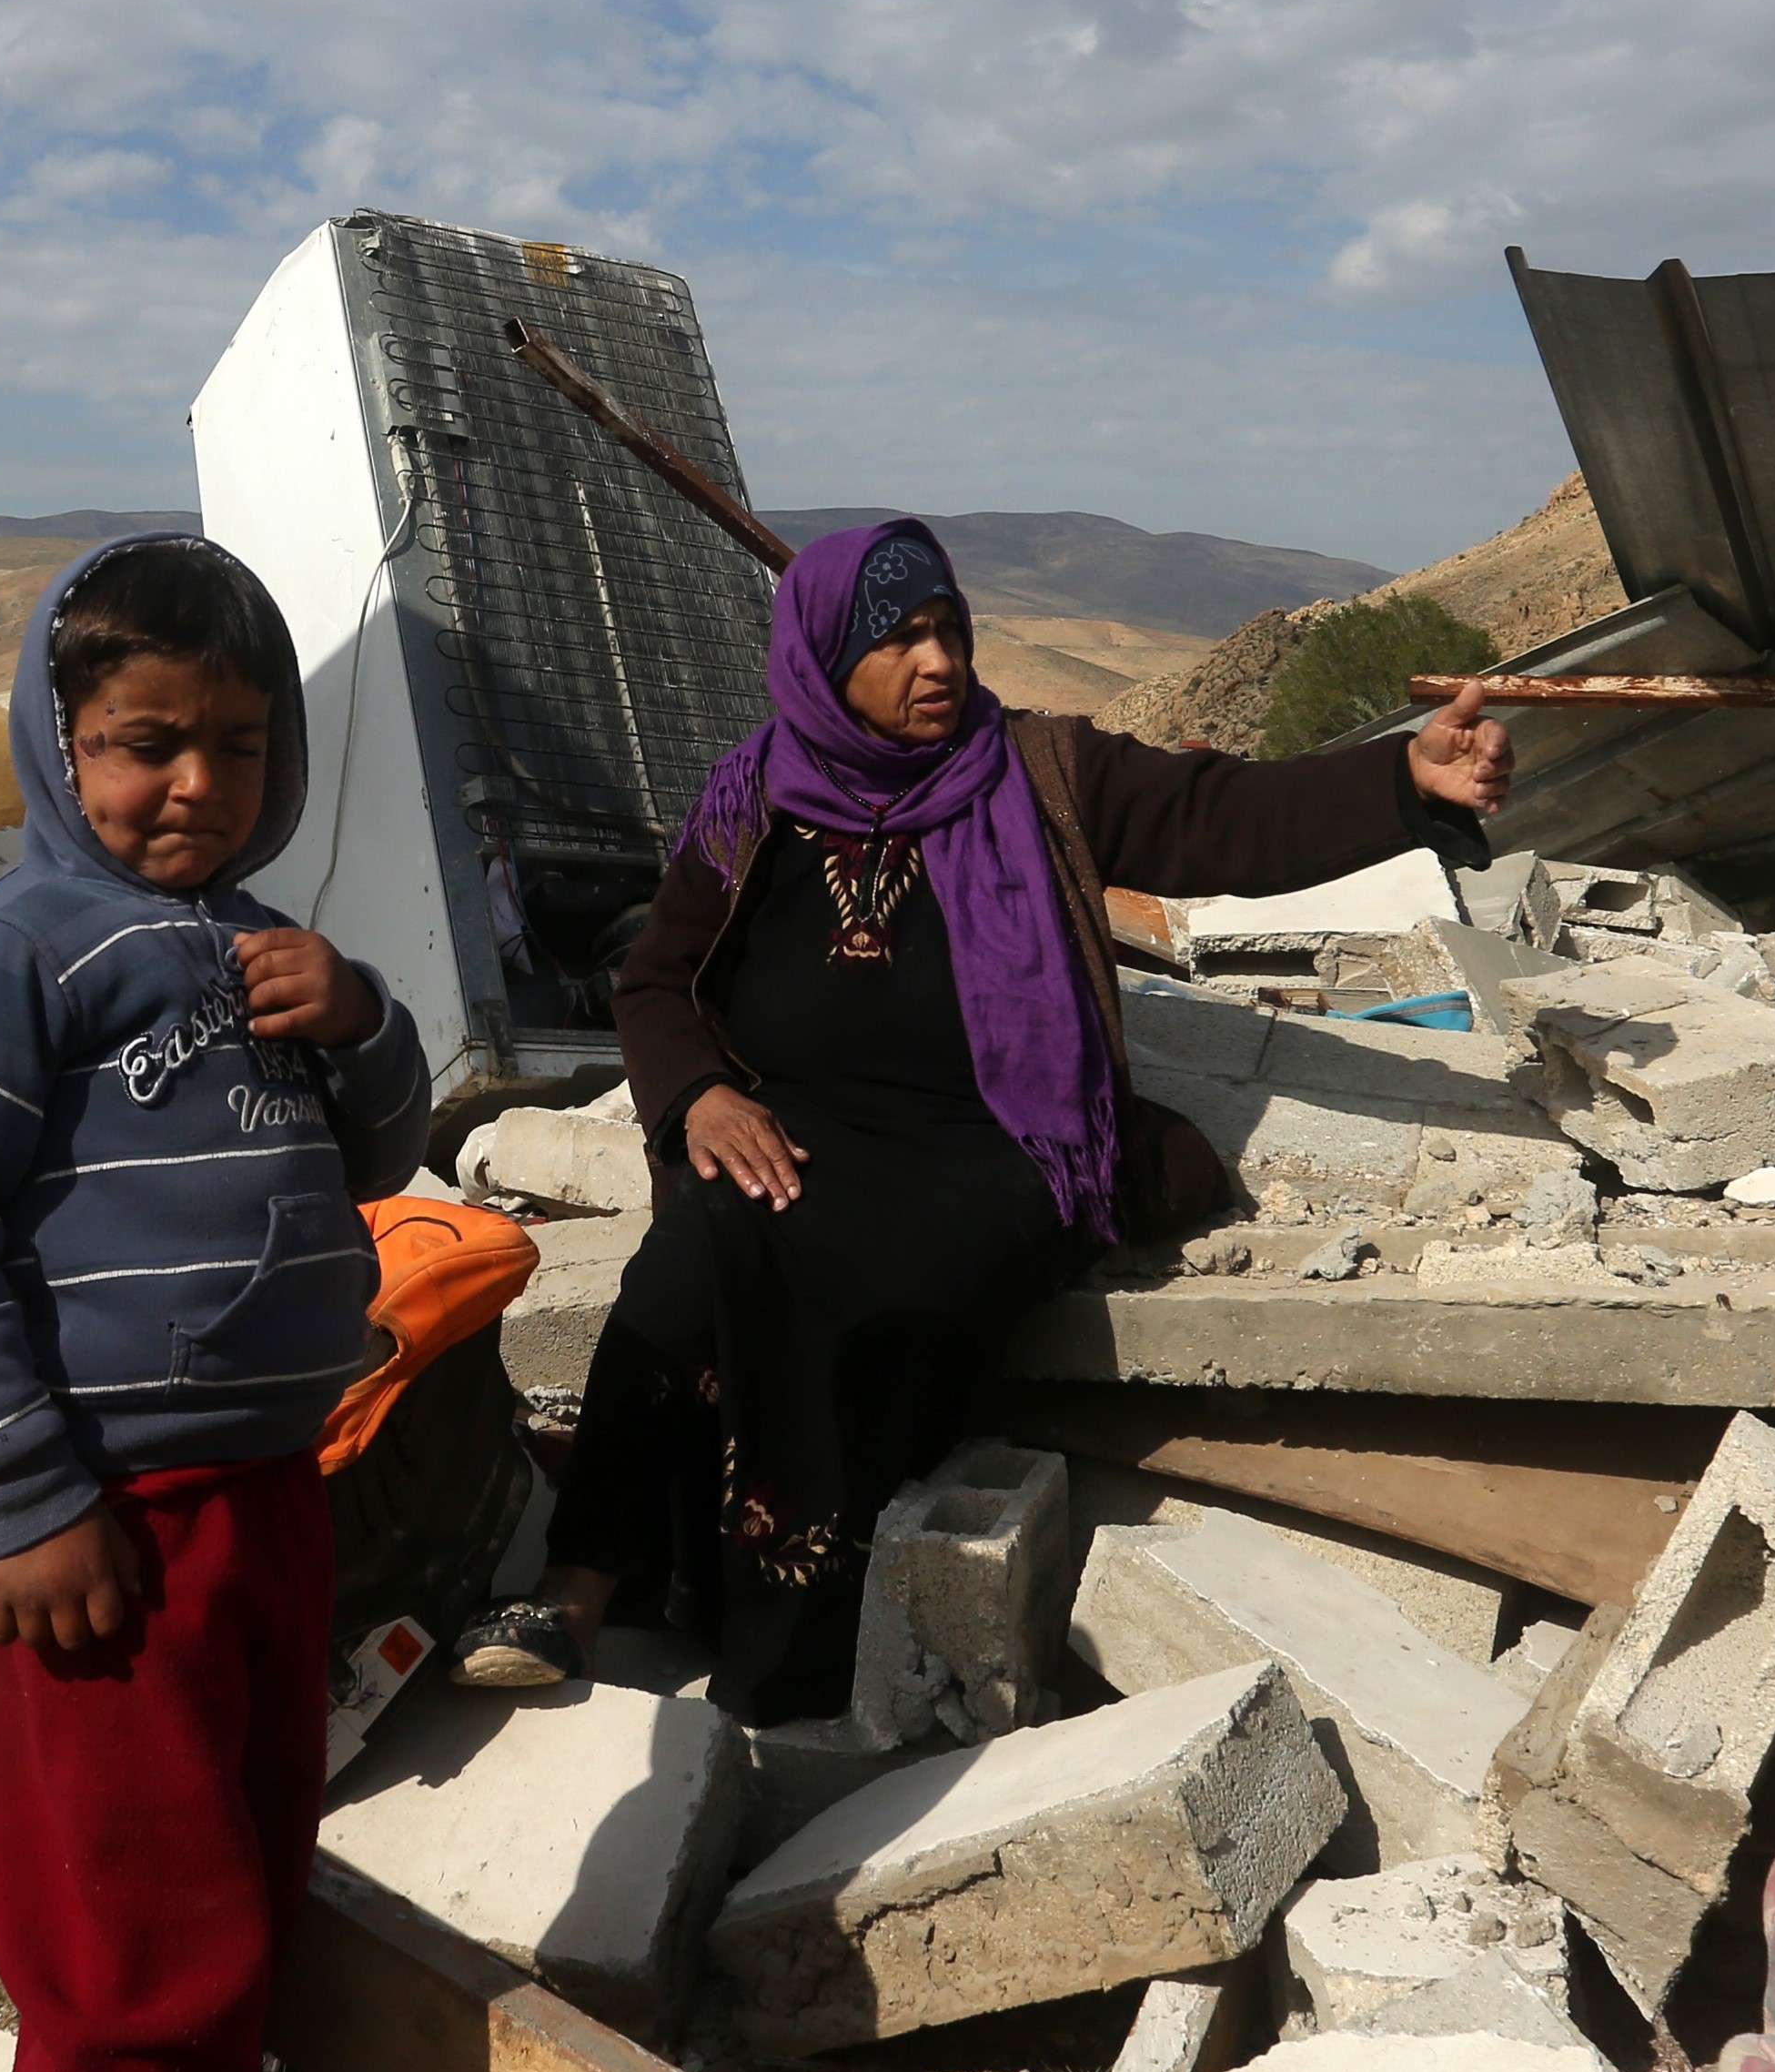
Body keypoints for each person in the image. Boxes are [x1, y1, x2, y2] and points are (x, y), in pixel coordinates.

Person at [449, 518, 1512, 1721]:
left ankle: (793, 1662)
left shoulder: (1041, 772)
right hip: (798, 1119)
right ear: (822, 659)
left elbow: (1221, 815)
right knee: (687, 1260)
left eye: (948, 630)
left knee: (882, 1283)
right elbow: (653, 979)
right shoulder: (754, 795)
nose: (938, 661)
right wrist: (697, 1093)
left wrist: (1398, 780)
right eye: (898, 638)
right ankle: (575, 1591)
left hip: (999, 1136)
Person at [0, 535, 430, 2072]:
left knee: (244, 1868)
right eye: (144, 744)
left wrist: (362, 1019)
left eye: (238, 745)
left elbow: (374, 1161)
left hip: (266, 1497)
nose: (196, 785)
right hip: (108, 1525)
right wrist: (26, 1500)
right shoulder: (6, 956)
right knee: (130, 1934)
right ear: (57, 744)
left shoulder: (262, 947)